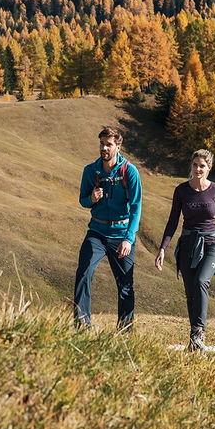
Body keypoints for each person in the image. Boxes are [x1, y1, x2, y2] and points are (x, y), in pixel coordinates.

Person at [154, 148, 215, 352]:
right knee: (190, 292)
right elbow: (172, 221)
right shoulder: (181, 190)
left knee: (201, 281)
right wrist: (162, 248)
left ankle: (198, 333)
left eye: (202, 165)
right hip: (187, 245)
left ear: (209, 168)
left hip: (212, 245)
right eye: (194, 165)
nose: (197, 169)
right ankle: (194, 341)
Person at [74, 126, 142, 330]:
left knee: (125, 284)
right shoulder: (90, 171)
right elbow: (83, 200)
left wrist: (128, 239)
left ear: (118, 147)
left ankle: (125, 331)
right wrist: (91, 199)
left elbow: (136, 207)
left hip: (121, 234)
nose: (104, 148)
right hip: (96, 232)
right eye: (102, 144)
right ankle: (81, 326)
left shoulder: (129, 171)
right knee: (84, 273)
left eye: (109, 144)